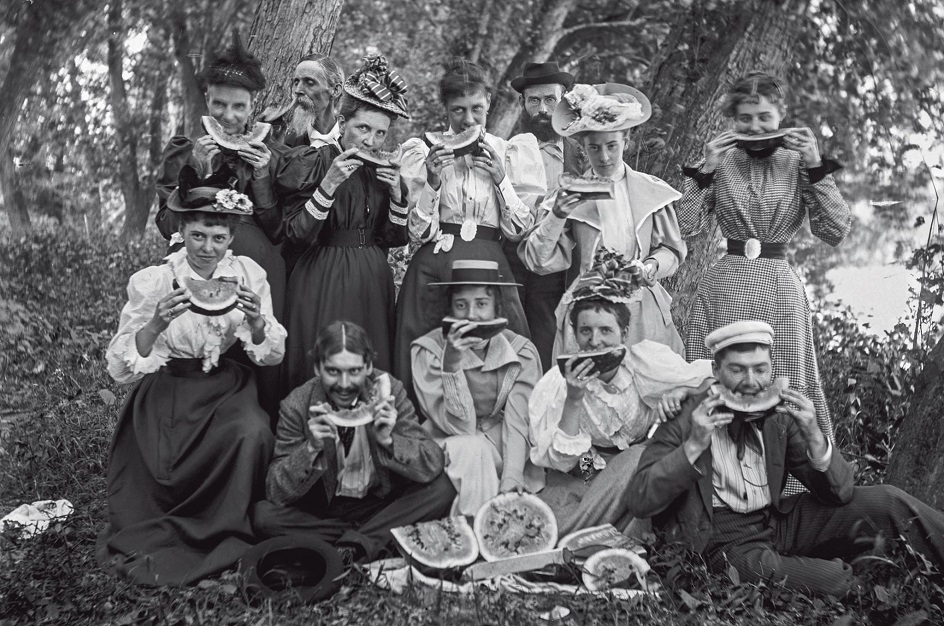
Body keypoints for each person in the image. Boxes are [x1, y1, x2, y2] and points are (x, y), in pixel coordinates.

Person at [627, 321, 944, 596]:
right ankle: (852, 573)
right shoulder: (685, 416)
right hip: (720, 542)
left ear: (771, 370)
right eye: (737, 370)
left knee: (887, 500)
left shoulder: (778, 416)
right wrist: (694, 445)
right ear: (715, 371)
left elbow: (839, 493)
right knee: (833, 579)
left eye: (760, 369)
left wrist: (815, 435)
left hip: (777, 521)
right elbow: (640, 499)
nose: (751, 382)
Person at [100, 186, 286, 586]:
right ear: (182, 230)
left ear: (232, 238)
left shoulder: (247, 276)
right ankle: (171, 527)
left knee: (252, 431)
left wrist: (255, 323)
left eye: (219, 238)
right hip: (169, 389)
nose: (207, 247)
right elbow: (120, 368)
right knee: (167, 460)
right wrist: (155, 324)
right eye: (198, 235)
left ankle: (227, 529)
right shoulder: (156, 279)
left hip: (225, 387)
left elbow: (271, 352)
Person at [677, 72, 851, 463]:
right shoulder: (719, 162)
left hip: (779, 289)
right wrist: (706, 169)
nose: (755, 127)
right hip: (724, 283)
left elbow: (836, 231)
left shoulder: (799, 162)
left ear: (781, 116)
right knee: (713, 377)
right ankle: (710, 469)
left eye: (764, 118)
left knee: (785, 378)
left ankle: (790, 478)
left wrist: (816, 165)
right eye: (745, 119)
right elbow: (686, 227)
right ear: (732, 120)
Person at [153, 30, 286, 421]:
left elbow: (277, 229)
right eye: (220, 104)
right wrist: (197, 170)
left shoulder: (269, 153)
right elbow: (165, 225)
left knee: (252, 352)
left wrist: (262, 177)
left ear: (253, 106)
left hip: (258, 272)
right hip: (197, 265)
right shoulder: (184, 149)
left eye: (239, 107)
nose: (229, 116)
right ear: (207, 101)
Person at [394, 59, 546, 398]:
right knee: (427, 356)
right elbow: (417, 233)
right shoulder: (423, 151)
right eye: (458, 110)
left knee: (500, 359)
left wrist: (501, 179)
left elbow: (520, 229)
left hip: (489, 270)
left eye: (476, 108)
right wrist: (432, 181)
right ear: (446, 109)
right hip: (434, 268)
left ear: (489, 101)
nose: (468, 119)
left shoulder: (509, 152)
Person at [252, 321, 454, 563]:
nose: (345, 384)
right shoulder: (297, 405)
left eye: (354, 371)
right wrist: (310, 449)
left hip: (379, 505)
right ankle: (367, 543)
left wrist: (390, 441)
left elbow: (432, 461)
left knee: (442, 489)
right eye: (333, 371)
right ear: (317, 368)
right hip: (324, 513)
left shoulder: (389, 392)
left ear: (368, 366)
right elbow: (274, 491)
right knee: (263, 516)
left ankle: (344, 547)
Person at [530, 267, 712, 535]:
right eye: (585, 331)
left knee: (636, 460)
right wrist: (574, 398)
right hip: (583, 477)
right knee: (554, 510)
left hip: (639, 474)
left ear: (624, 334)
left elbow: (709, 379)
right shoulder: (558, 382)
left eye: (606, 330)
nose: (595, 341)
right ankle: (592, 534)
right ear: (575, 334)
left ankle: (575, 536)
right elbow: (561, 462)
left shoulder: (645, 362)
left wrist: (681, 392)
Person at [275, 55, 410, 394]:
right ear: (343, 121)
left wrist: (396, 194)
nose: (370, 141)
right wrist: (329, 184)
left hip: (371, 279)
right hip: (322, 274)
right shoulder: (313, 160)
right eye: (362, 128)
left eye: (380, 133)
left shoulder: (382, 171)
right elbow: (295, 235)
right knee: (319, 362)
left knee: (368, 363)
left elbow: (394, 238)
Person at [521, 82, 686, 359]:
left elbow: (672, 250)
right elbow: (537, 260)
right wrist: (558, 215)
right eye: (594, 148)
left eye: (612, 145)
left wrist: (651, 266)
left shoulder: (652, 190)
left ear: (626, 141)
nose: (605, 156)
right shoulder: (568, 195)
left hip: (642, 309)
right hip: (589, 312)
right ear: (583, 147)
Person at [411, 260, 545, 516]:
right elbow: (459, 426)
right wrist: (451, 363)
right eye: (461, 305)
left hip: (503, 441)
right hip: (448, 440)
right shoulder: (427, 351)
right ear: (449, 308)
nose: (471, 315)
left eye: (482, 304)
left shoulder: (522, 352)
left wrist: (513, 475)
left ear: (497, 308)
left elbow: (519, 420)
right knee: (474, 451)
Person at [504, 61, 589, 371]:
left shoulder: (581, 153)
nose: (542, 109)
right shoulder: (508, 150)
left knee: (550, 352)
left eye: (550, 100)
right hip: (512, 265)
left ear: (563, 99)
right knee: (511, 351)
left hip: (559, 272)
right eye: (533, 100)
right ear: (523, 104)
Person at [283, 53, 345, 148]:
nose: (298, 90)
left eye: (309, 83)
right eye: (296, 82)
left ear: (335, 91)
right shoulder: (287, 146)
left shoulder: (351, 141)